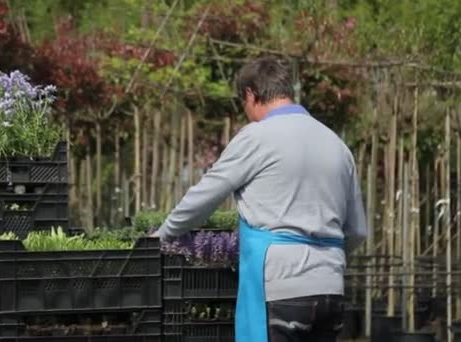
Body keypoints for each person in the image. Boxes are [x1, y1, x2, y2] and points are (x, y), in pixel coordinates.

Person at [151, 56, 367, 342]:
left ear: (251, 95)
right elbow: (358, 231)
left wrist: (163, 235)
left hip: (281, 287)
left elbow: (205, 196)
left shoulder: (258, 136)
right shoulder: (337, 145)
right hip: (331, 288)